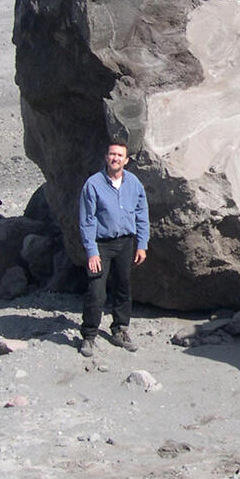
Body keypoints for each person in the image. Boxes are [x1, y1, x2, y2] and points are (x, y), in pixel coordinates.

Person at [77, 139, 149, 356]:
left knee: (123, 288)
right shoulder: (93, 184)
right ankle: (89, 335)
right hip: (101, 245)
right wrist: (91, 251)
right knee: (96, 291)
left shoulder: (134, 183)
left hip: (125, 243)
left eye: (119, 155)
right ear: (106, 157)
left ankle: (120, 329)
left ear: (126, 160)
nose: (115, 158)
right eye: (112, 154)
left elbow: (141, 214)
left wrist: (142, 244)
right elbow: (86, 220)